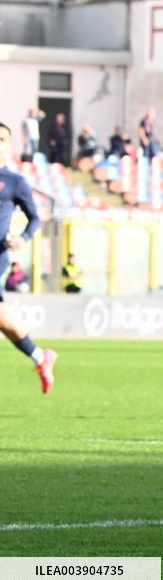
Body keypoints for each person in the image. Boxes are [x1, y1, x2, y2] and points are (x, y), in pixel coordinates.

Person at [0, 122, 57, 392]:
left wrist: (20, 239)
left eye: (2, 139)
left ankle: (40, 357)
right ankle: (40, 357)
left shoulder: (14, 182)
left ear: (8, 145)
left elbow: (35, 218)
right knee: (2, 320)